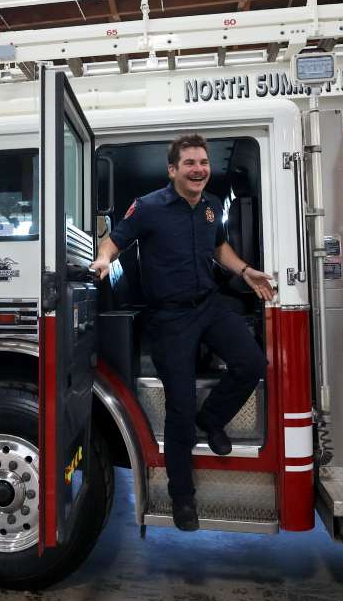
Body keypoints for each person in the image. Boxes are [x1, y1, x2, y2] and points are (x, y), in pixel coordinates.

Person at [89, 134, 275, 531]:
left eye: (203, 162)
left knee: (251, 361)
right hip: (170, 318)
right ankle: (182, 497)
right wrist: (104, 260)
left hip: (208, 306)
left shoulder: (209, 209)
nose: (199, 169)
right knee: (178, 408)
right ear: (173, 170)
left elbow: (219, 248)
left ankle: (212, 419)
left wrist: (244, 270)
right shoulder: (150, 207)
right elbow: (115, 239)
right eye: (189, 163)